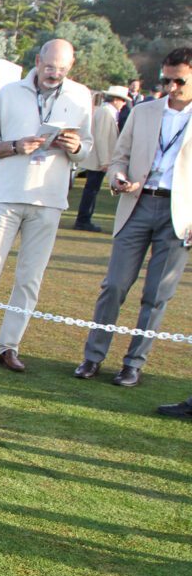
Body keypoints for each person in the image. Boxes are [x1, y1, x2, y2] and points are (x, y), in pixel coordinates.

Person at [0, 39, 93, 372]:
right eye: (50, 66)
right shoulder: (9, 93)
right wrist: (14, 146)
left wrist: (76, 145)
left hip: (49, 199)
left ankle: (8, 346)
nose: (54, 74)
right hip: (7, 195)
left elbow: (88, 151)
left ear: (71, 67)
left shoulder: (81, 96)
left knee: (29, 279)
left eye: (62, 69)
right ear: (38, 61)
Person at [72, 47, 192, 388]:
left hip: (179, 215)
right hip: (137, 205)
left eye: (178, 81)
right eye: (165, 80)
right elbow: (119, 157)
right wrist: (118, 177)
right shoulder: (144, 111)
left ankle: (133, 364)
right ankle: (93, 357)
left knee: (157, 295)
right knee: (113, 286)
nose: (170, 87)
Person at [71, 86, 130, 231]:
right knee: (91, 190)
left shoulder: (107, 111)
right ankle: (83, 220)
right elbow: (101, 138)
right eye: (122, 101)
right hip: (98, 159)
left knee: (92, 189)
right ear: (116, 100)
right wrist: (105, 161)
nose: (123, 104)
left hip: (99, 158)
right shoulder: (105, 112)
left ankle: (84, 219)